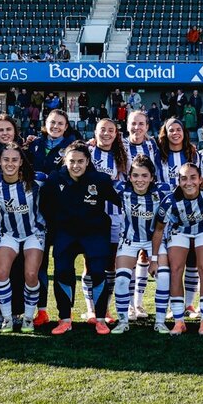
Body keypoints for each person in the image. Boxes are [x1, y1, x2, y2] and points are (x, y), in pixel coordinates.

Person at [41, 142, 123, 335]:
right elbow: (44, 205)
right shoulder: (55, 179)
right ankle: (65, 319)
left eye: (80, 161)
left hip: (94, 232)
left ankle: (100, 319)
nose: (76, 165)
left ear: (87, 161)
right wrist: (55, 225)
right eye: (72, 161)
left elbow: (121, 200)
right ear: (65, 161)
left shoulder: (100, 180)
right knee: (62, 272)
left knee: (98, 272)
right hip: (66, 233)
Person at [155, 162, 203, 335]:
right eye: (184, 178)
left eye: (193, 178)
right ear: (179, 181)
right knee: (176, 269)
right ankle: (179, 321)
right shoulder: (170, 200)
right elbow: (159, 229)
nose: (188, 182)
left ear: (200, 179)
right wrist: (153, 257)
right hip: (180, 231)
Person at [0, 143, 48, 332]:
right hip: (8, 233)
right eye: (6, 159)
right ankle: (7, 318)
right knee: (1, 272)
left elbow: (60, 179)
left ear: (21, 162)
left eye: (14, 160)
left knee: (31, 274)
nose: (10, 163)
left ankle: (28, 318)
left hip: (34, 232)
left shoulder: (37, 180)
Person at [113, 156, 170, 333]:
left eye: (145, 175)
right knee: (121, 280)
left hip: (155, 240)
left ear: (152, 177)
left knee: (164, 277)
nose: (140, 180)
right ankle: (122, 321)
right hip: (130, 240)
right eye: (136, 175)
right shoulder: (121, 189)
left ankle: (160, 322)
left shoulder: (162, 191)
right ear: (129, 177)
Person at [84, 118, 129, 324]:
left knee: (111, 264)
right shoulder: (88, 151)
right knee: (90, 263)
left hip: (115, 216)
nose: (106, 133)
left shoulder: (122, 155)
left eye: (111, 130)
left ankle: (106, 307)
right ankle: (91, 309)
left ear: (116, 134)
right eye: (102, 129)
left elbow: (128, 182)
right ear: (95, 132)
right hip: (90, 216)